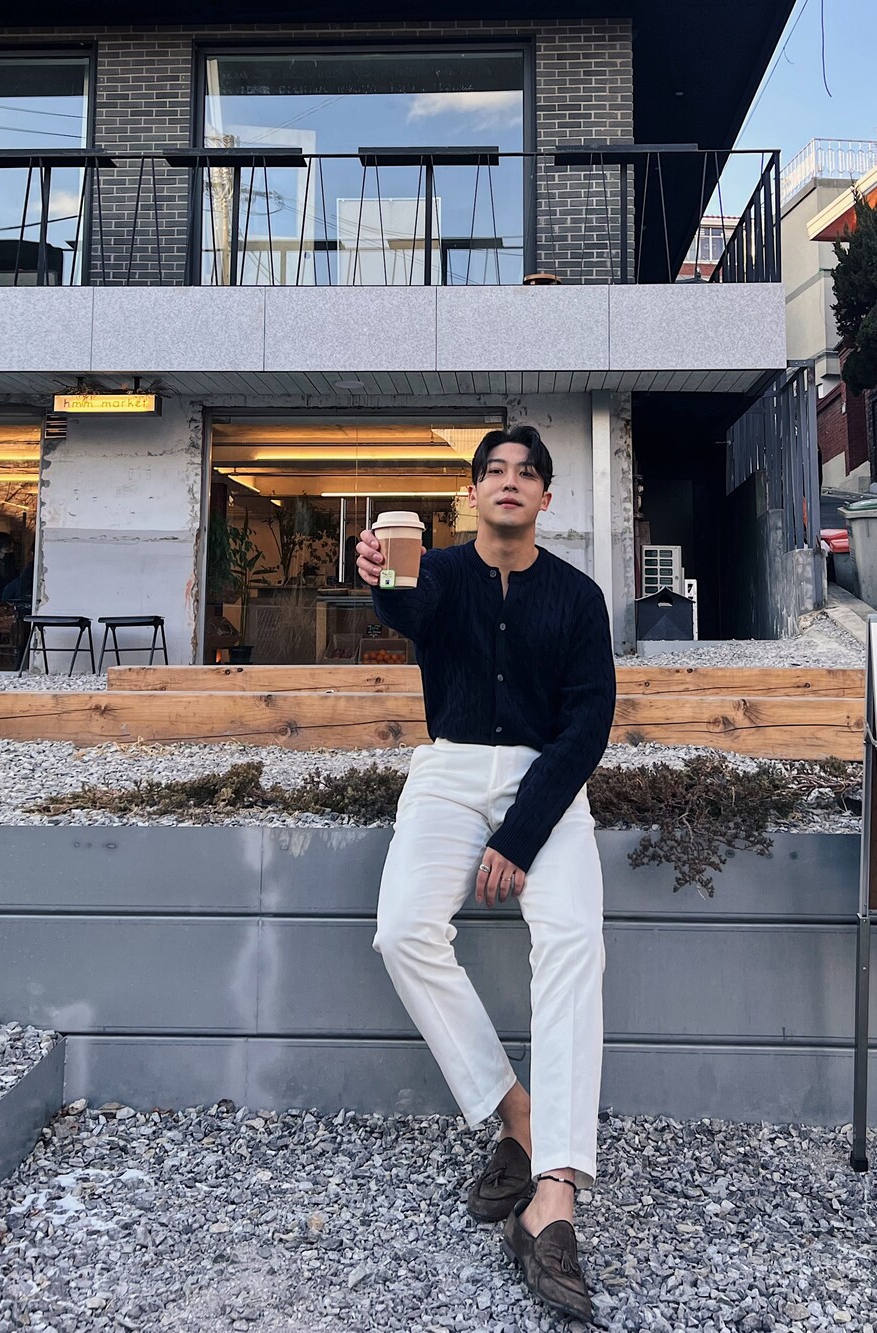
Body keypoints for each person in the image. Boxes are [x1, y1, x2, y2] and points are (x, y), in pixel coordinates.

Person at [356, 424, 615, 1322]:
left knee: (575, 937)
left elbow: (588, 724)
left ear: (546, 497)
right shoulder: (437, 575)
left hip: (546, 779)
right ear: (472, 494)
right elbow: (405, 610)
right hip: (450, 770)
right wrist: (382, 575)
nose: (510, 482)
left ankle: (555, 1195)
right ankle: (519, 1115)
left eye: (527, 472)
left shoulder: (578, 597)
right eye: (494, 470)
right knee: (402, 931)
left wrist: (522, 833)